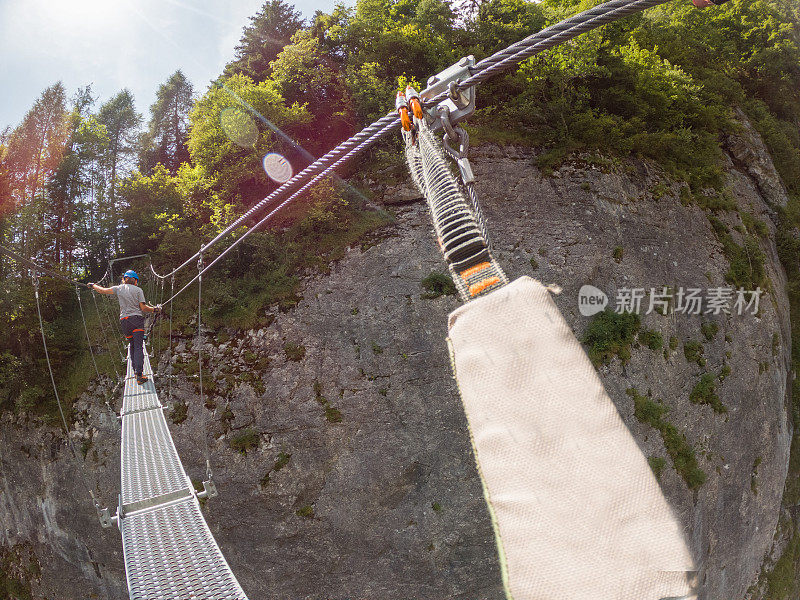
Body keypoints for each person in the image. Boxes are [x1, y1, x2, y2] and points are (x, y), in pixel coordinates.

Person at [88, 270, 161, 384]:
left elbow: (102, 291)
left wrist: (93, 285)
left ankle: (135, 371)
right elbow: (143, 308)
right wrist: (155, 309)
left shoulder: (119, 288)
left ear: (124, 279)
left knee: (132, 345)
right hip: (136, 320)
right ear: (135, 281)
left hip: (124, 322)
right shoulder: (138, 290)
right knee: (138, 347)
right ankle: (139, 375)